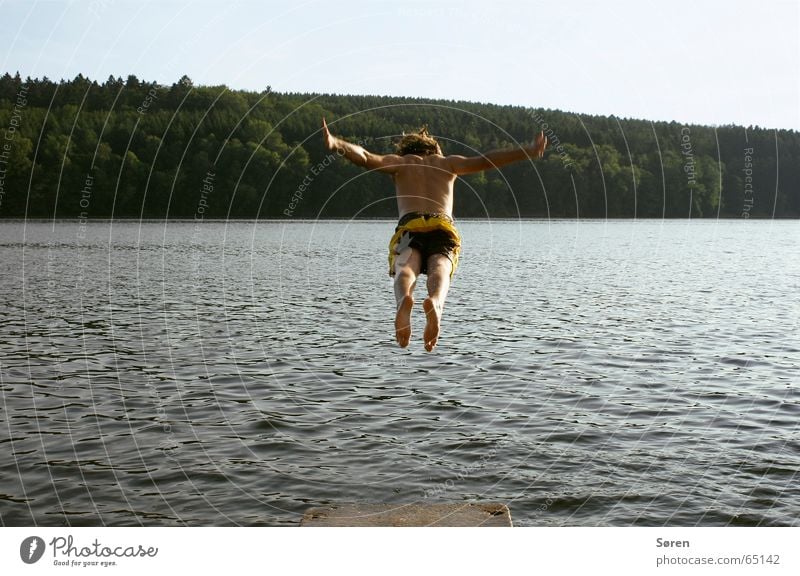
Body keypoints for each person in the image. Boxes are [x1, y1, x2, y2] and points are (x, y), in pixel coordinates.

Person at [322, 118, 547, 352]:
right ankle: (436, 302)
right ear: (435, 148)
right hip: (442, 226)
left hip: (410, 225)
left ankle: (403, 301)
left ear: (407, 149)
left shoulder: (400, 163)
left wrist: (336, 142)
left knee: (405, 268)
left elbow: (366, 157)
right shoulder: (448, 163)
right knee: (441, 266)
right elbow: (486, 160)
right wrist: (526, 151)